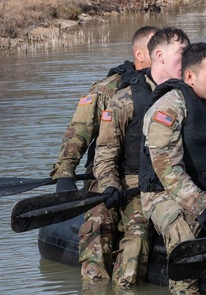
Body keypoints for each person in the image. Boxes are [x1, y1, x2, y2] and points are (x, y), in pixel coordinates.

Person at [52, 25, 158, 281]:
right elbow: (79, 130)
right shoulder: (108, 89)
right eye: (155, 50)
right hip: (103, 176)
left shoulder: (167, 89)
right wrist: (65, 172)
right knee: (98, 224)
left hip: (143, 181)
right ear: (139, 54)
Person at [91, 27, 190, 286]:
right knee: (110, 232)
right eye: (182, 54)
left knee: (141, 236)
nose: (188, 61)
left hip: (169, 185)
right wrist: (109, 186)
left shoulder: (190, 95)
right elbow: (105, 153)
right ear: (159, 56)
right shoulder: (126, 99)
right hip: (128, 183)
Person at [139, 42, 206, 295]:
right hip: (162, 193)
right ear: (190, 76)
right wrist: (201, 204)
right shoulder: (168, 107)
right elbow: (167, 169)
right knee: (182, 231)